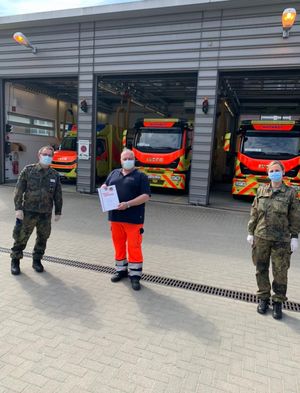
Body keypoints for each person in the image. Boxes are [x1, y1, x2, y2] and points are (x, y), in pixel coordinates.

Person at [247, 160, 300, 319]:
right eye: (272, 171)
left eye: (277, 170)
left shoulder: (291, 193)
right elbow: (255, 212)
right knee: (261, 268)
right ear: (268, 173)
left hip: (281, 240)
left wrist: (295, 237)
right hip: (261, 236)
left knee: (280, 272)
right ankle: (263, 298)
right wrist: (250, 231)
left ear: (283, 172)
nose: (274, 173)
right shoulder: (261, 190)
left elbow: (295, 217)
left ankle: (278, 301)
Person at [102, 148, 150, 291]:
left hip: (134, 219)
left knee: (134, 247)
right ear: (121, 160)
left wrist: (128, 204)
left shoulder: (141, 176)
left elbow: (146, 196)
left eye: (130, 158)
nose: (128, 161)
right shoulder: (113, 173)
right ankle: (121, 270)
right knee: (119, 245)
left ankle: (135, 276)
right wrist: (104, 188)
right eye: (125, 158)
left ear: (134, 160)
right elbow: (106, 185)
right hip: (115, 218)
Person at [10, 145, 63, 275]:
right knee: (21, 237)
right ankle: (15, 261)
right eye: (45, 154)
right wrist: (18, 208)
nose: (47, 157)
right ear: (39, 155)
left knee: (42, 238)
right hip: (28, 212)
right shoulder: (29, 171)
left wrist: (58, 211)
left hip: (45, 214)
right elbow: (18, 190)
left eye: (50, 155)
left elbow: (58, 194)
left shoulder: (54, 175)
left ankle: (37, 261)